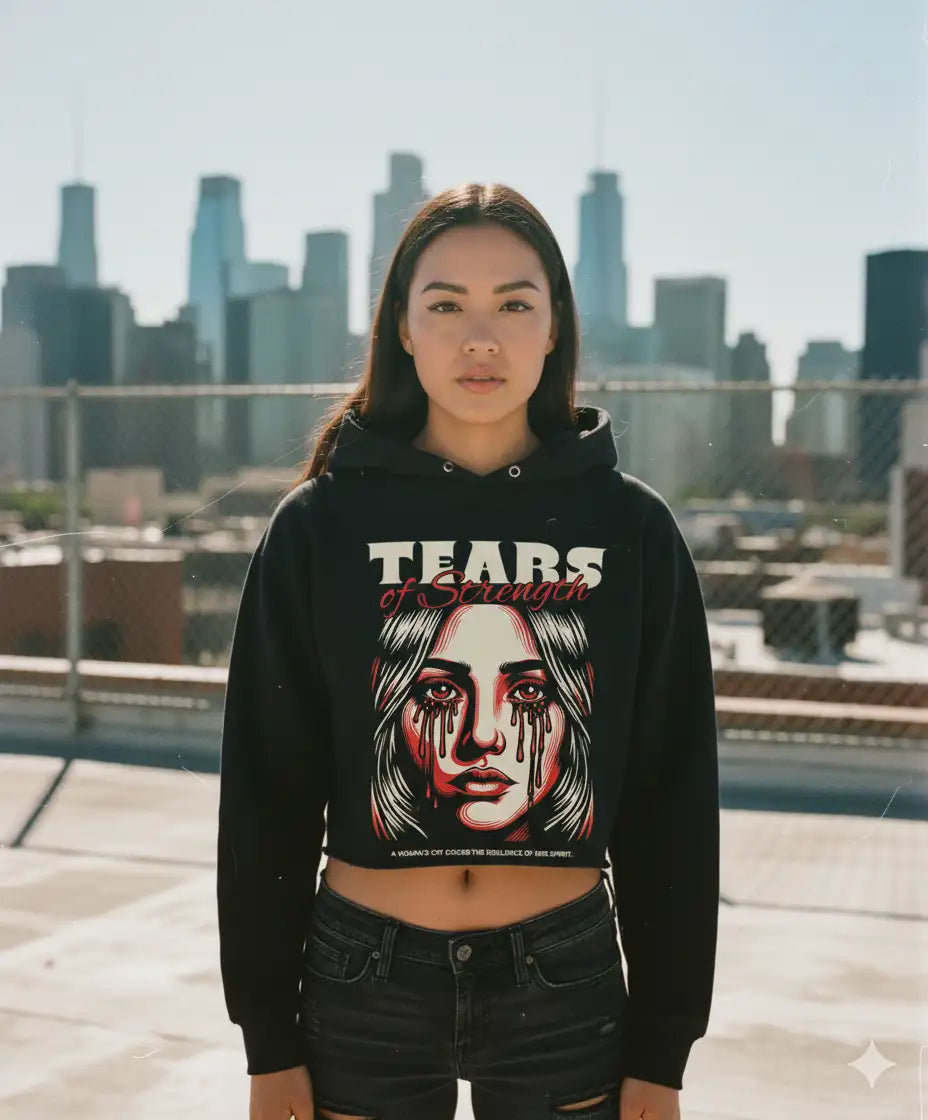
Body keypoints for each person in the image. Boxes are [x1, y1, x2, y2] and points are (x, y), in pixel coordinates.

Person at [217, 183, 720, 1120]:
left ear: (556, 325)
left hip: (563, 979)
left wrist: (663, 1049)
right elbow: (265, 792)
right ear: (402, 328)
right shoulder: (320, 526)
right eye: (445, 304)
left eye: (514, 304)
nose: (479, 338)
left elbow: (671, 800)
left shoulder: (632, 529)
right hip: (360, 976)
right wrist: (266, 1039)